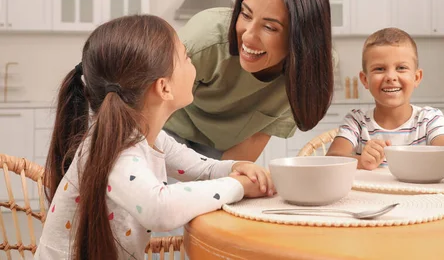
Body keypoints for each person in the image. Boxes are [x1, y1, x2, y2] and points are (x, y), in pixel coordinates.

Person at [37, 15, 274, 260]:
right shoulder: (117, 149)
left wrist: (235, 167)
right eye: (186, 57)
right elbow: (160, 209)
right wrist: (238, 186)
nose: (193, 65)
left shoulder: (147, 138)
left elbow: (200, 168)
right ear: (164, 87)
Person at [164, 0, 334, 161]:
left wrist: (230, 182)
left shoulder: (308, 70)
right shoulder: (203, 39)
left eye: (269, 27)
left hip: (223, 149)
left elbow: (251, 145)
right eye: (245, 15)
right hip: (165, 132)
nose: (248, 37)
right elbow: (147, 109)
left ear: (302, 38)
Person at [326, 28, 444, 170]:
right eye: (379, 69)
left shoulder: (428, 119)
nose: (390, 76)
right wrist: (361, 161)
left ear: (417, 77)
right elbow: (331, 160)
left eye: (401, 68)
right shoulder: (356, 121)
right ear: (364, 79)